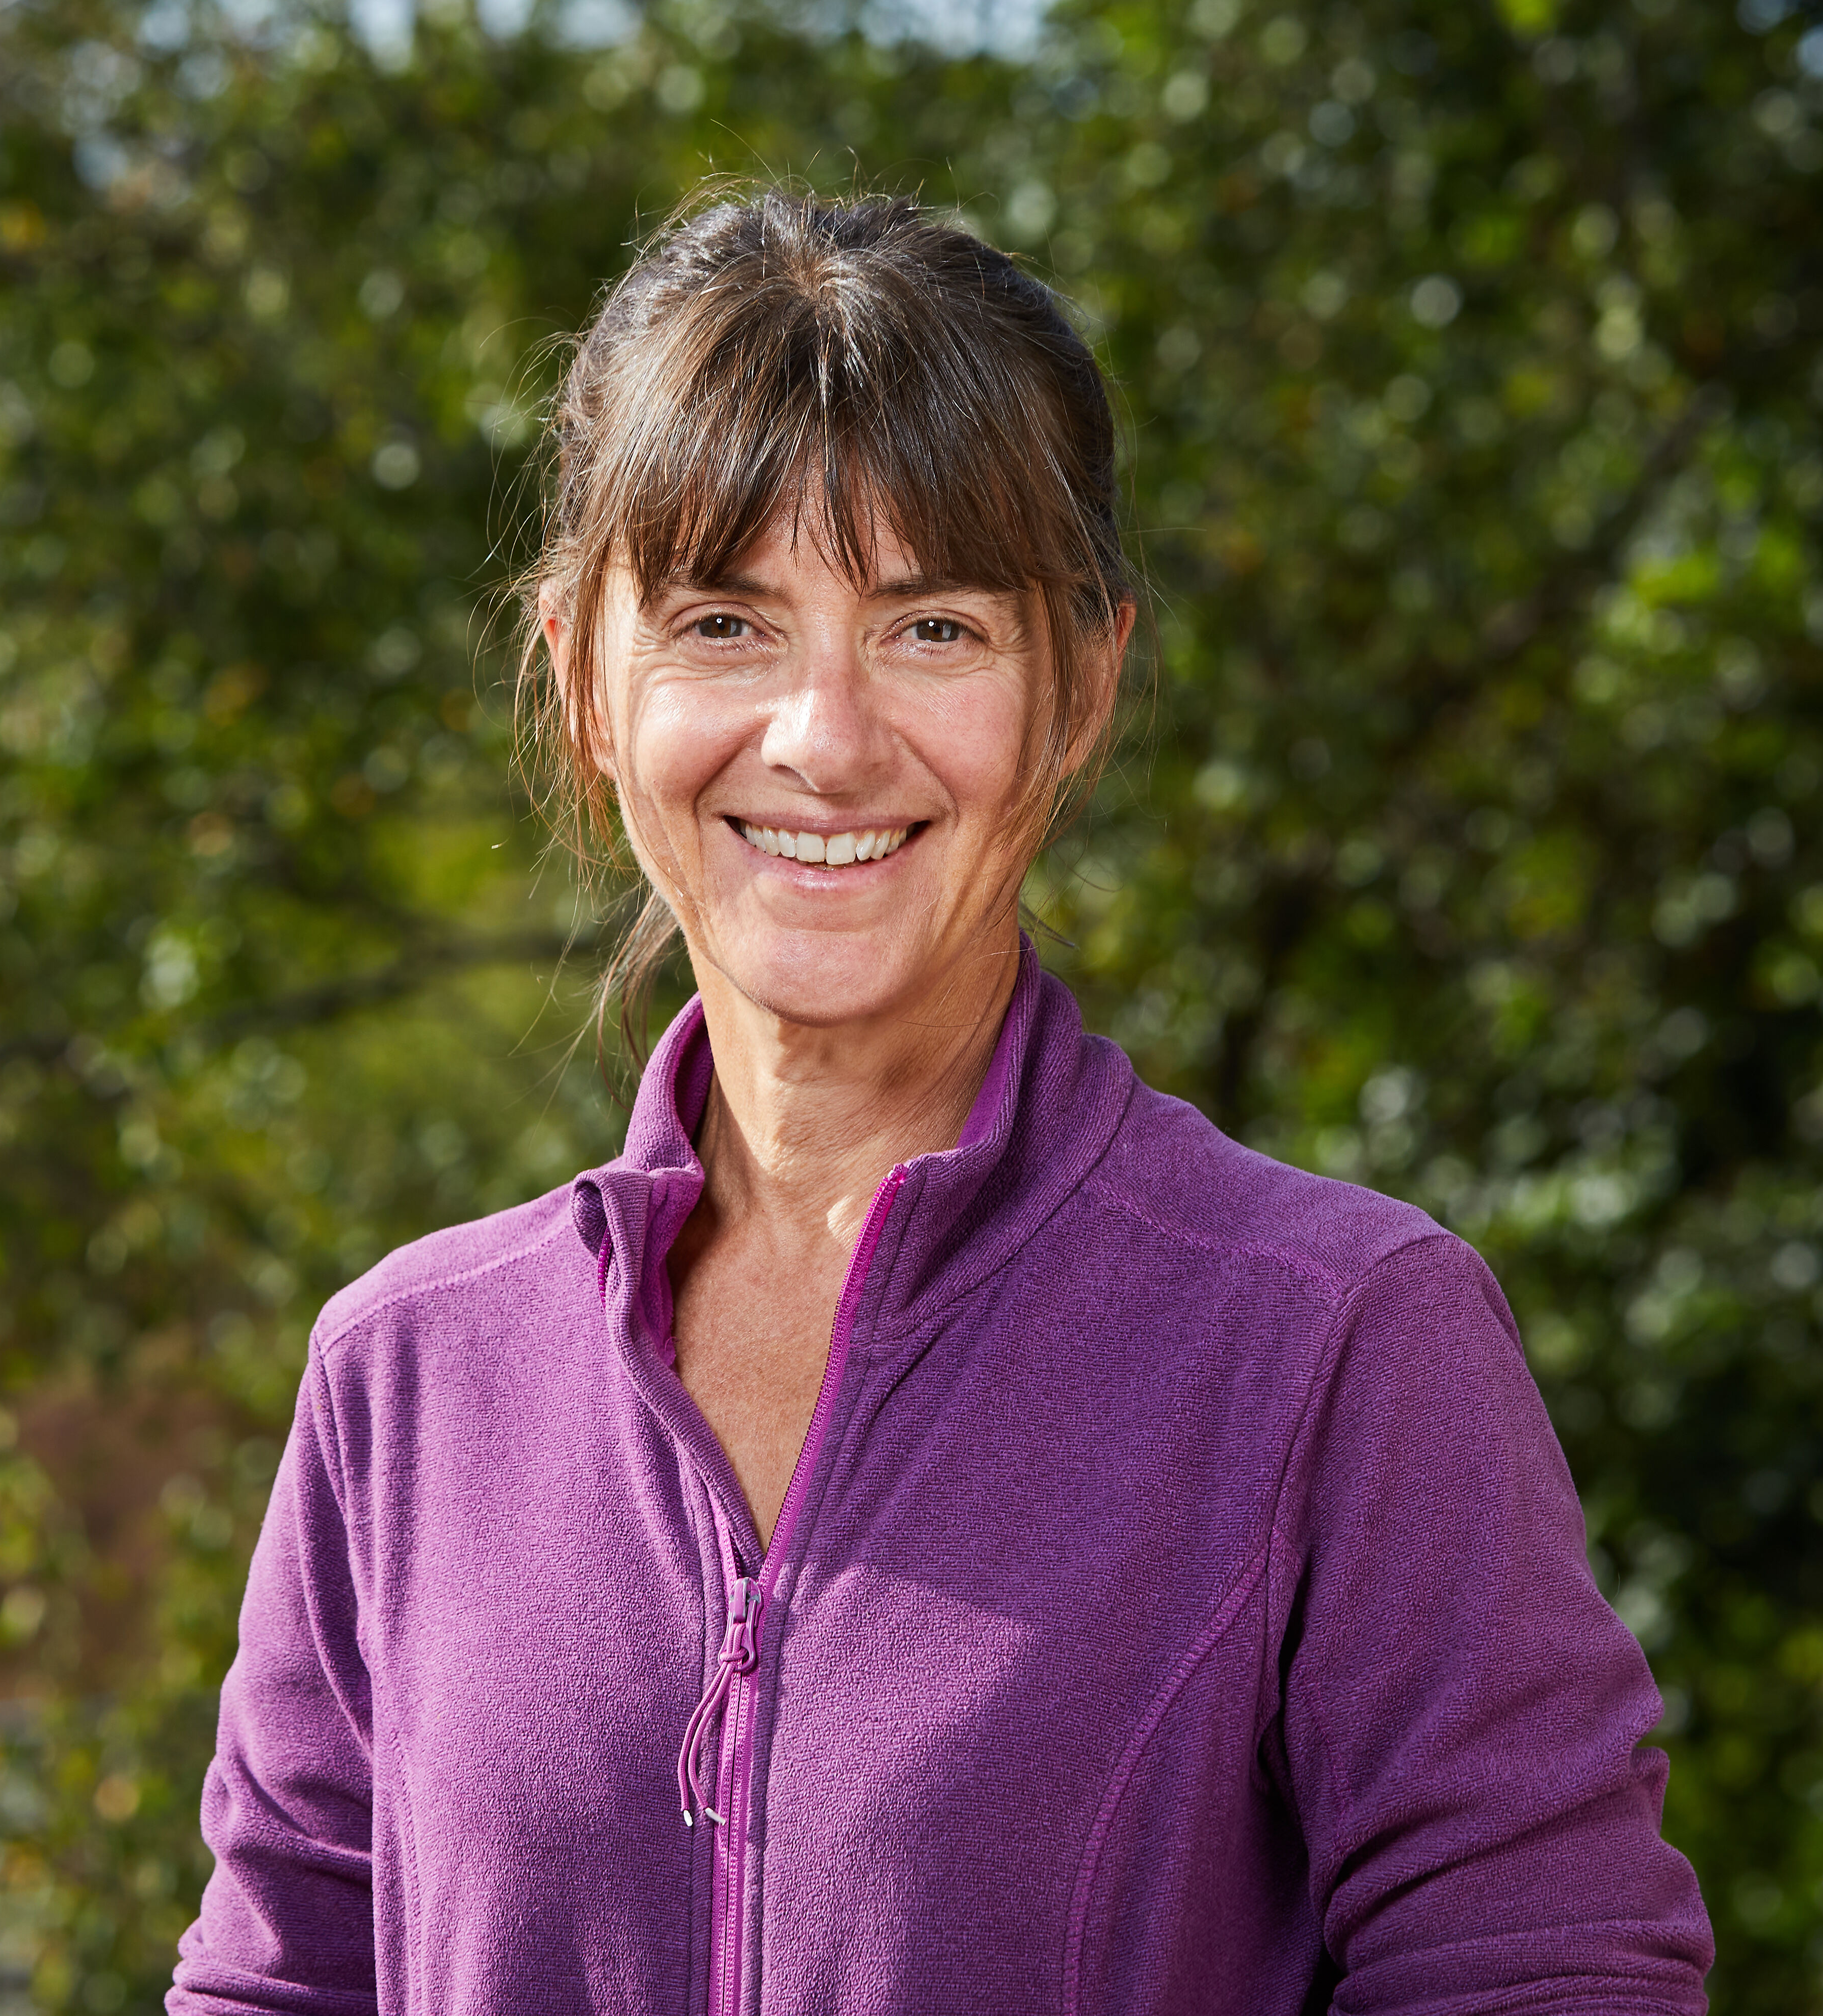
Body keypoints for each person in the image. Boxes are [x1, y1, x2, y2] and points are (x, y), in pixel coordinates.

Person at [169, 189, 1713, 2016]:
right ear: (587, 674)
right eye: (728, 623)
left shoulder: (1336, 1344)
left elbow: (1549, 1985)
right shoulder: (404, 1379)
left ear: (1079, 686)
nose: (826, 735)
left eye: (935, 629)